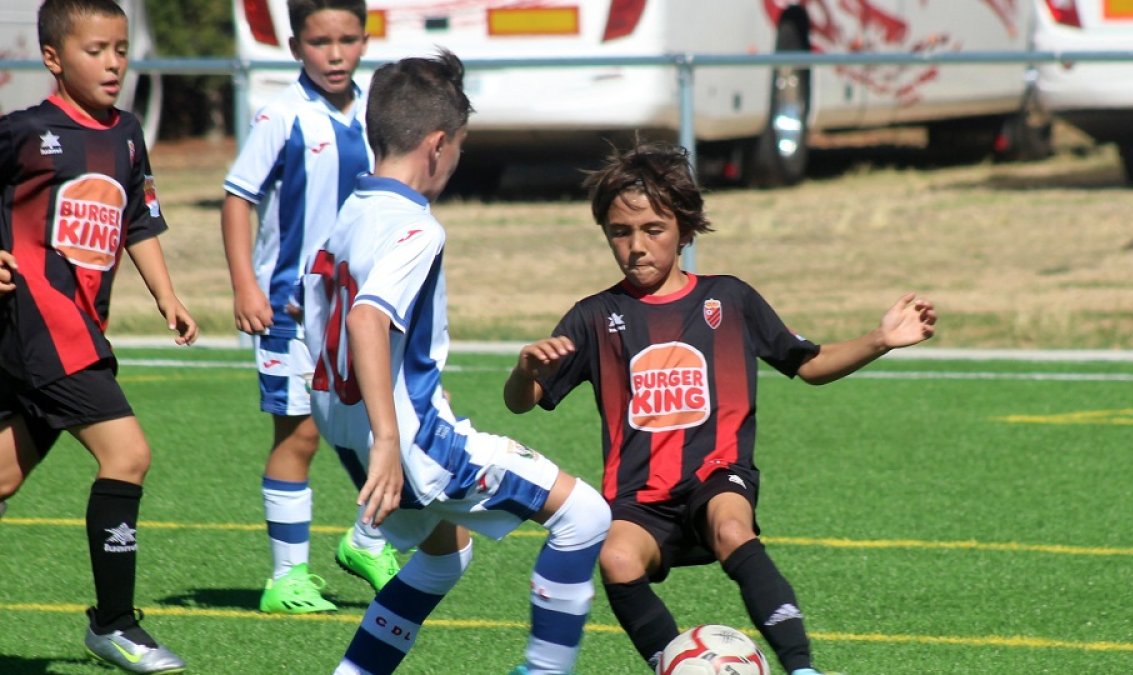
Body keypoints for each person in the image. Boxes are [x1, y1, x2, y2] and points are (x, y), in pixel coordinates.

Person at [503, 141, 938, 675]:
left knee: (732, 529)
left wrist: (880, 339)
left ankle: (802, 668)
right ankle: (677, 665)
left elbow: (809, 365)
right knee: (616, 557)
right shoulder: (594, 316)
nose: (636, 247)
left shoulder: (729, 300)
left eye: (653, 229)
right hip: (639, 493)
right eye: (620, 232)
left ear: (685, 230)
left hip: (718, 472)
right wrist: (524, 372)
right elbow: (523, 403)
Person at [302, 50, 611, 675]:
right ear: (438, 145)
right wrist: (390, 440)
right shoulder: (417, 229)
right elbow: (366, 318)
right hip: (413, 445)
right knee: (586, 515)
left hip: (350, 437)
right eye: (462, 147)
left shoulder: (349, 214)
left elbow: (314, 315)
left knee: (445, 557)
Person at [0, 0, 199, 672]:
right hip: (40, 326)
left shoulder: (127, 133)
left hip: (78, 329)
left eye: (120, 49)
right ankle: (114, 624)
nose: (113, 63)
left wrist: (167, 296)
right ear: (53, 58)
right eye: (95, 51)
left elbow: (138, 218)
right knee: (128, 454)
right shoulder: (25, 132)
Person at [221, 0, 398, 614]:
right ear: (296, 47)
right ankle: (286, 578)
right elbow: (238, 198)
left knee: (382, 427)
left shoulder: (378, 112)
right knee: (299, 435)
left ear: (365, 40)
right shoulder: (282, 115)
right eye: (320, 42)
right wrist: (245, 286)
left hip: (357, 310)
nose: (335, 54)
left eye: (347, 39)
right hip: (289, 311)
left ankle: (366, 541)